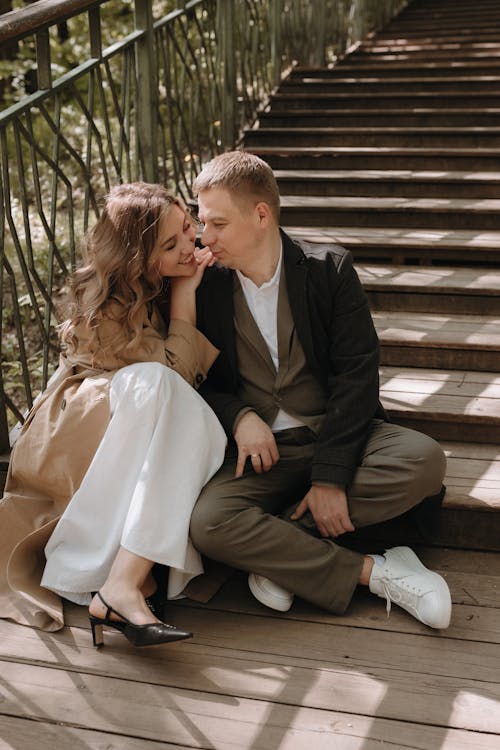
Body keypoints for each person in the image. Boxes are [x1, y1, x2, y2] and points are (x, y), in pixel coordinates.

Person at [188, 151, 452, 630]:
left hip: (340, 436)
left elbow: (357, 375)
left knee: (424, 459)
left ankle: (280, 549)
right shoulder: (204, 288)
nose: (205, 237)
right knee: (208, 523)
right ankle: (378, 573)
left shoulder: (327, 270)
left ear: (261, 215)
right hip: (261, 455)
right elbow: (192, 379)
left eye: (218, 224)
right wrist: (239, 415)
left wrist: (330, 477)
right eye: (202, 222)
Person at [0, 182, 226, 647]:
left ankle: (124, 579)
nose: (190, 245)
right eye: (171, 245)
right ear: (137, 260)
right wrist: (186, 292)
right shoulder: (105, 306)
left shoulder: (164, 280)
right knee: (161, 386)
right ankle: (122, 579)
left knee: (205, 426)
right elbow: (173, 376)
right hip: (77, 425)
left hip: (134, 418)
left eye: (188, 228)